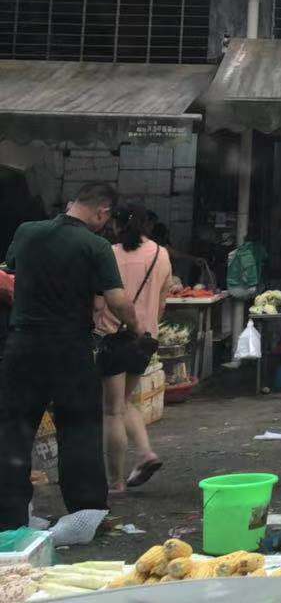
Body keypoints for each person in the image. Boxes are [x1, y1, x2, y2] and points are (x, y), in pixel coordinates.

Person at [0, 183, 139, 529]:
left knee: (13, 432)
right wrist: (134, 327)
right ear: (103, 212)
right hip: (70, 349)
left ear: (72, 203)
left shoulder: (26, 232)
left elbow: (11, 272)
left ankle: (9, 517)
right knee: (79, 430)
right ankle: (86, 514)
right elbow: (117, 300)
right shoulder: (95, 245)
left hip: (22, 346)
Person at [95, 203, 171, 495]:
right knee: (126, 400)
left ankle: (115, 481)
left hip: (113, 337)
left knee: (112, 410)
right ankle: (145, 453)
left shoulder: (109, 254)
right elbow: (162, 303)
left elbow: (98, 302)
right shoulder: (160, 254)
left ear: (116, 225)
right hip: (145, 340)